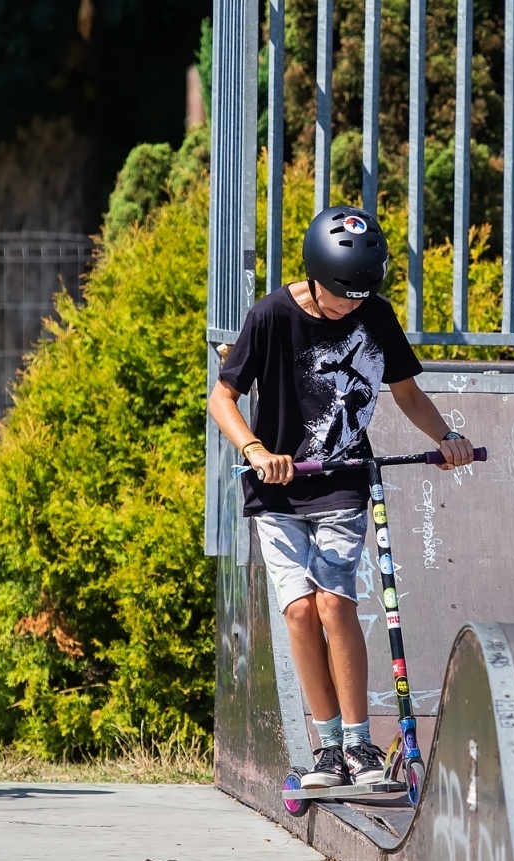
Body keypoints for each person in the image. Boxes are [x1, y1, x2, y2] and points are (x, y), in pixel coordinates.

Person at [208, 206, 475, 789]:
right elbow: (222, 396)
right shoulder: (271, 315)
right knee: (299, 609)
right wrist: (255, 449)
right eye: (340, 297)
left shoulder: (375, 315)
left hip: (343, 481)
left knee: (336, 603)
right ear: (313, 274)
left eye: (360, 296)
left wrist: (448, 438)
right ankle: (327, 746)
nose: (350, 307)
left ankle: (359, 743)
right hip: (277, 488)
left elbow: (406, 392)